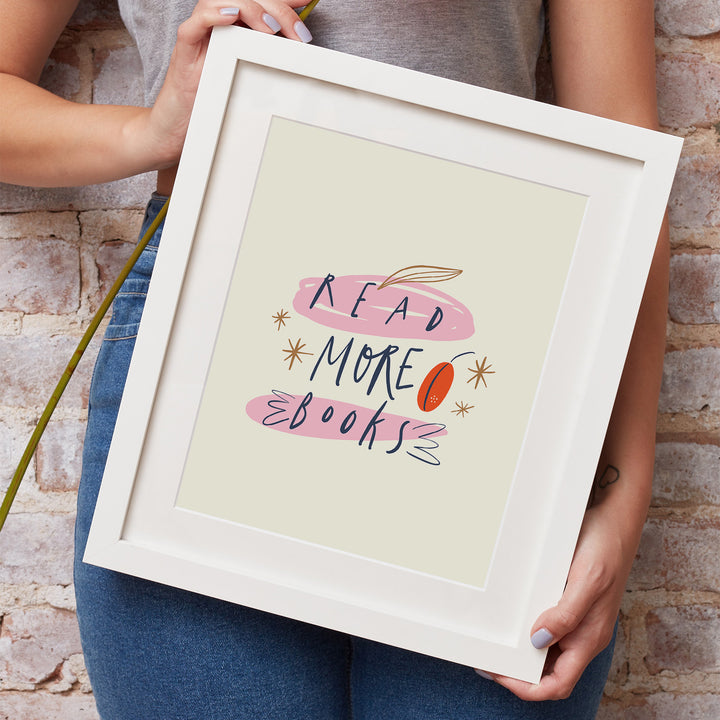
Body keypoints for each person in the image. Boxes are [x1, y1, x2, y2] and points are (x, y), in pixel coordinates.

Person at [0, 1, 668, 717]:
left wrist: (619, 498)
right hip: (211, 311)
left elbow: (624, 142)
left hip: (494, 324)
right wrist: (151, 130)